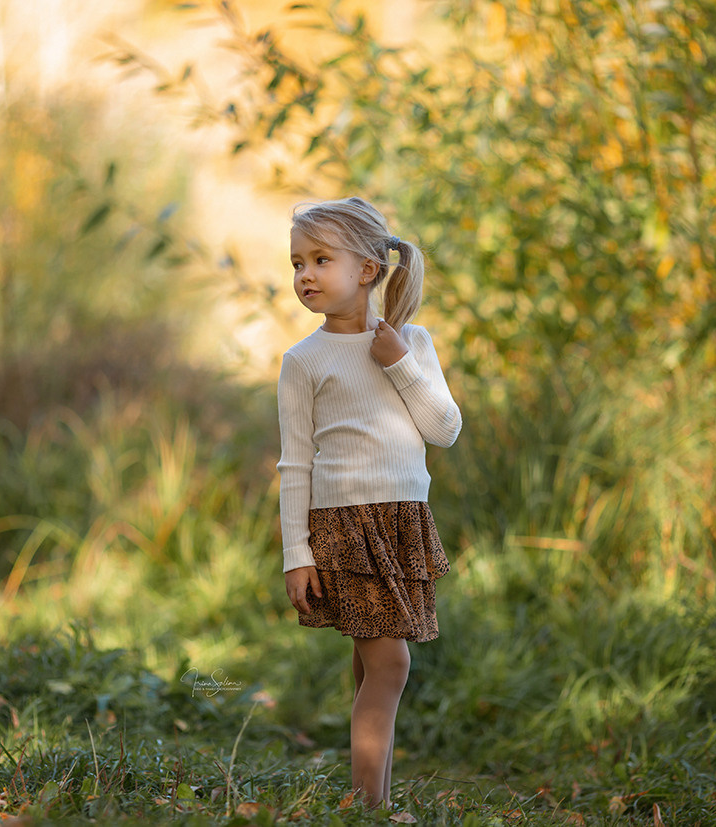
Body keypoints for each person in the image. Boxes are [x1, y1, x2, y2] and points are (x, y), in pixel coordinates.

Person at [276, 196, 461, 810]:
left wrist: (400, 363)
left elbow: (444, 429)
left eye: (321, 259)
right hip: (344, 526)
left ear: (367, 268)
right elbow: (295, 463)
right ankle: (368, 807)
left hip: (402, 517)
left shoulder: (411, 343)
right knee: (390, 665)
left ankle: (370, 798)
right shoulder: (303, 361)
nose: (305, 274)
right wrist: (296, 555)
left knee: (370, 663)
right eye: (297, 262)